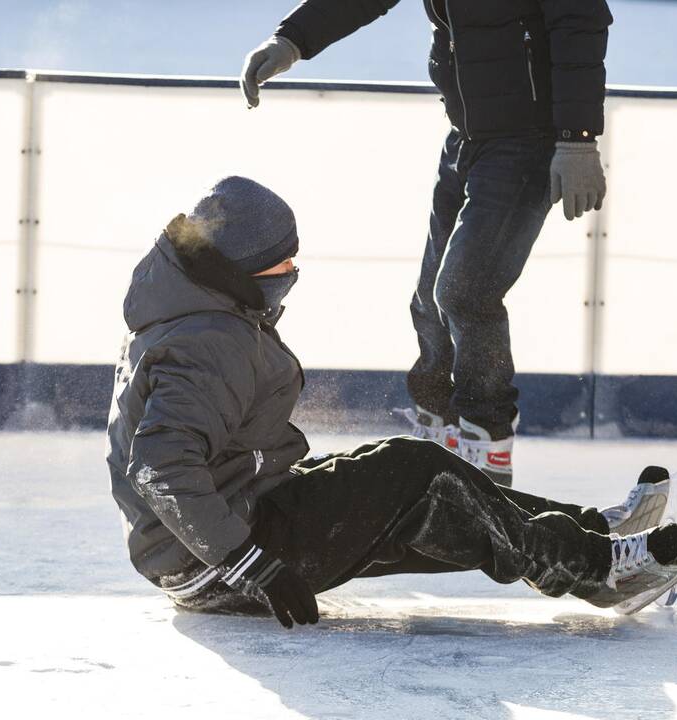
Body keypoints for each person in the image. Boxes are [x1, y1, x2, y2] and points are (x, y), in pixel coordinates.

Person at [106, 178, 677, 628]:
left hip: (231, 522)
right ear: (242, 269)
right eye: (284, 261)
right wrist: (250, 565)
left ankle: (592, 532)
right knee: (415, 471)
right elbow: (161, 469)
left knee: (423, 490)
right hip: (220, 557)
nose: (295, 270)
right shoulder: (207, 341)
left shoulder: (194, 310)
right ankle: (600, 569)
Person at [240, 0, 613, 486]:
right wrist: (292, 40)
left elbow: (580, 20)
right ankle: (435, 438)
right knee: (429, 304)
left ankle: (486, 447)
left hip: (529, 141)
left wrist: (578, 138)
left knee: (465, 291)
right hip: (467, 137)